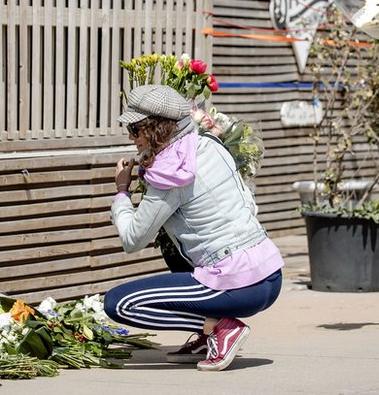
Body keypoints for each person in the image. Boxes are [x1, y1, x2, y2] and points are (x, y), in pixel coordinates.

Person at [103, 84, 283, 371]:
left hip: (235, 284)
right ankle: (206, 335)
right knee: (176, 251)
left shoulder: (173, 171)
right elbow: (249, 205)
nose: (131, 137)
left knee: (119, 303)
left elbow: (133, 239)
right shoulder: (210, 144)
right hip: (270, 273)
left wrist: (122, 192)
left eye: (135, 129)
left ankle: (220, 328)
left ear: (156, 129)